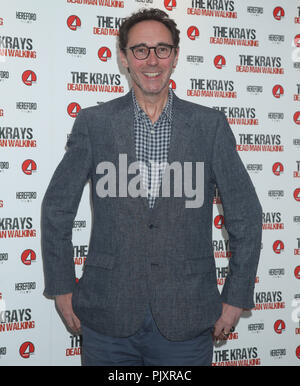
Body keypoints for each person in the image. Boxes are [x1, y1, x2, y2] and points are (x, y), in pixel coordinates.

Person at [41, 8, 262, 366]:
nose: (151, 60)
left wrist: (236, 297)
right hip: (106, 316)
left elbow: (247, 217)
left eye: (162, 49)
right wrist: (62, 287)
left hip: (187, 316)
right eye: (140, 50)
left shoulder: (210, 126)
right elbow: (57, 209)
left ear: (175, 56)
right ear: (124, 57)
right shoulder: (94, 123)